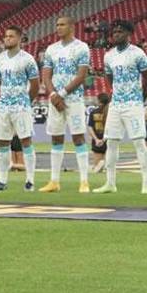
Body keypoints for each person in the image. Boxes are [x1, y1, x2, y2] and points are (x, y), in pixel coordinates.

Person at [95, 20, 147, 195]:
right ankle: (110, 183)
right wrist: (116, 94)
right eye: (114, 32)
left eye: (120, 31)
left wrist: (139, 99)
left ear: (129, 34)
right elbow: (109, 78)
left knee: (138, 142)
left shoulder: (138, 53)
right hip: (116, 105)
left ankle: (146, 183)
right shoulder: (108, 55)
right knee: (111, 142)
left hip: (133, 105)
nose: (116, 34)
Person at [40, 16, 91, 193]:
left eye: (62, 24)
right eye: (57, 24)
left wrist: (61, 93)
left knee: (78, 137)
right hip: (55, 100)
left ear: (72, 26)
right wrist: (53, 94)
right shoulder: (51, 49)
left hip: (74, 99)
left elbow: (81, 75)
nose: (58, 28)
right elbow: (46, 75)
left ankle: (84, 181)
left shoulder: (81, 47)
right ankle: (54, 181)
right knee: (56, 137)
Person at [0, 26, 40, 191]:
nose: (7, 39)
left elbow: (35, 85)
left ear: (19, 39)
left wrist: (26, 101)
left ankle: (30, 180)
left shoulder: (27, 59)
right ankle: (2, 180)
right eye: (5, 36)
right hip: (4, 107)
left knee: (26, 140)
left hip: (21, 107)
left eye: (11, 36)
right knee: (3, 142)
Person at [87, 92, 110, 174]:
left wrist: (96, 139)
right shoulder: (110, 113)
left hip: (97, 140)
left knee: (97, 167)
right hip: (108, 140)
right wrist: (104, 139)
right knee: (107, 167)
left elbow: (90, 127)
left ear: (99, 101)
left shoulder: (93, 112)